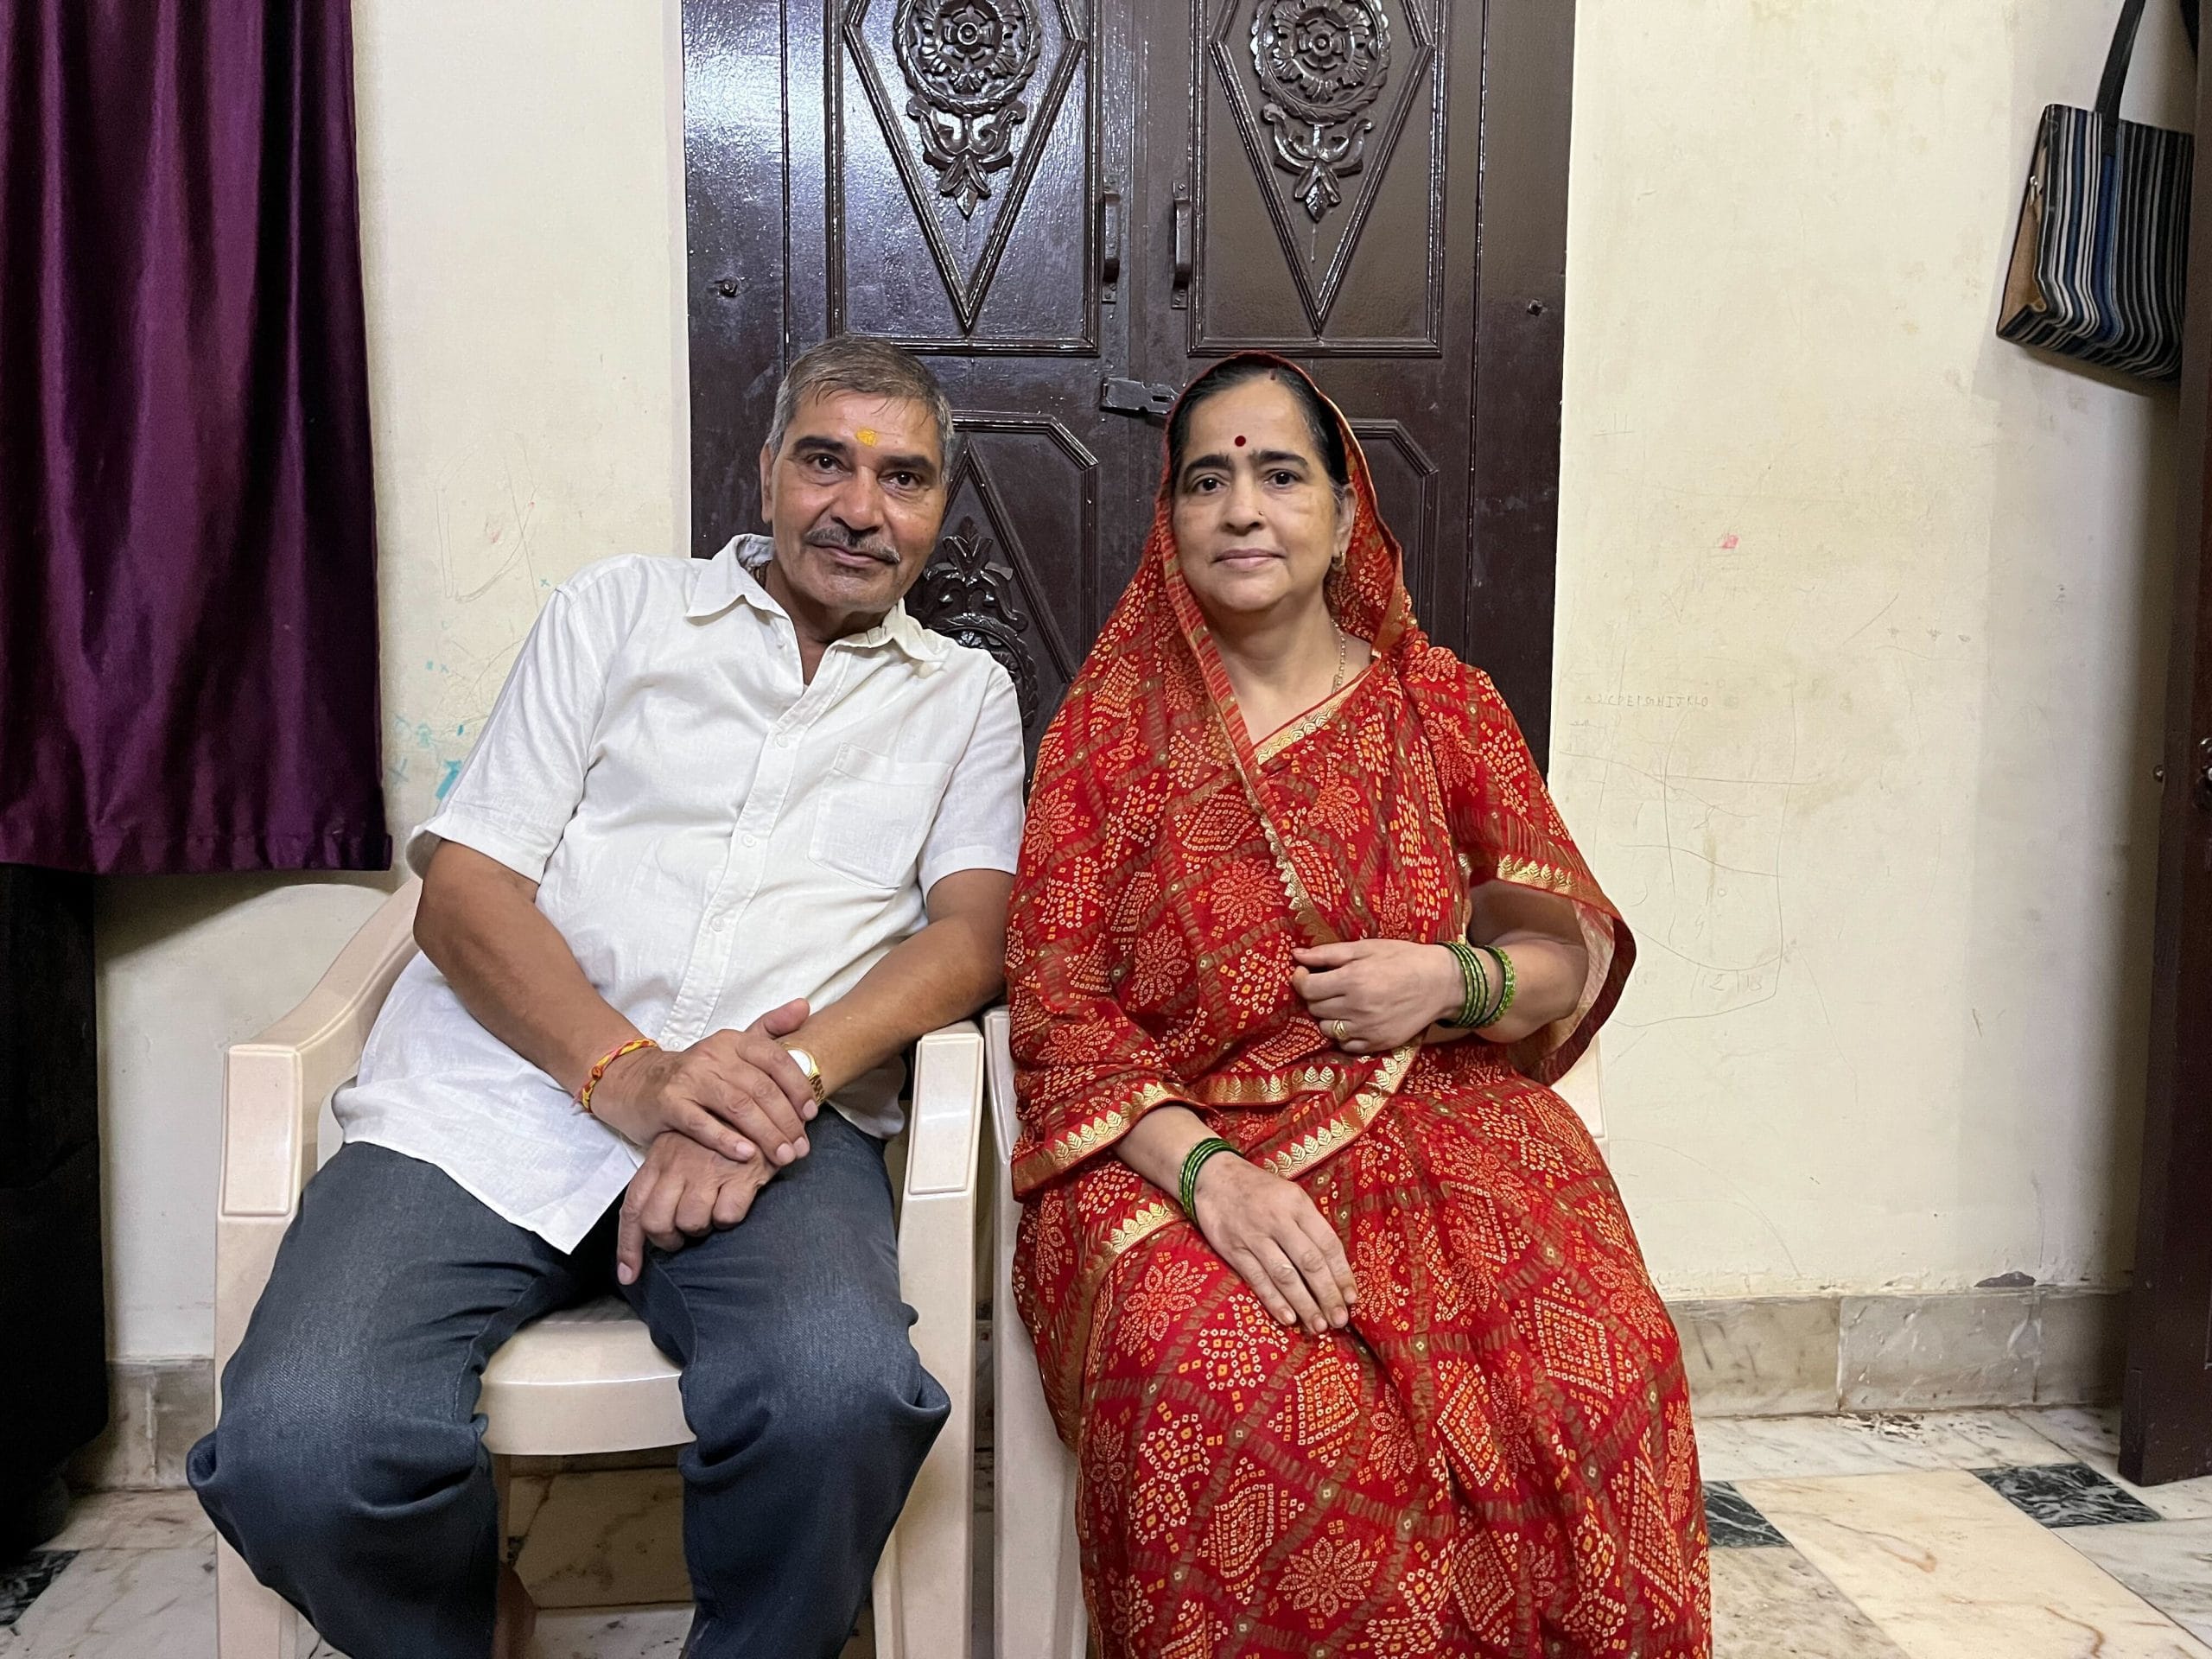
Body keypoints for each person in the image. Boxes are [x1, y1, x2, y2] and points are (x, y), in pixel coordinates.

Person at [188, 336, 1026, 1659]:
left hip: (771, 1141)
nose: (860, 507)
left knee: (838, 1396)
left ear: (938, 510)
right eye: (825, 461)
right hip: (495, 1103)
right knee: (302, 1444)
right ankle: (466, 1629)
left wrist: (783, 1083)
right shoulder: (618, 614)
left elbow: (974, 938)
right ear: (766, 473)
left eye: (903, 478)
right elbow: (465, 893)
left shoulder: (965, 699)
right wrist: (628, 1078)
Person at [1006, 353, 1709, 1657]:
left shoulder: (1439, 708)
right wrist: (1212, 1177)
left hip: (1439, 1121)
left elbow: (1565, 956)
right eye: (1205, 482)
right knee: (1240, 1395)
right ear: (1171, 522)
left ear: (1344, 519)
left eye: (1281, 476)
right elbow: (1059, 1011)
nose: (1241, 509)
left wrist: (1455, 978)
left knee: (1596, 1372)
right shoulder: (1103, 741)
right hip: (1170, 1151)